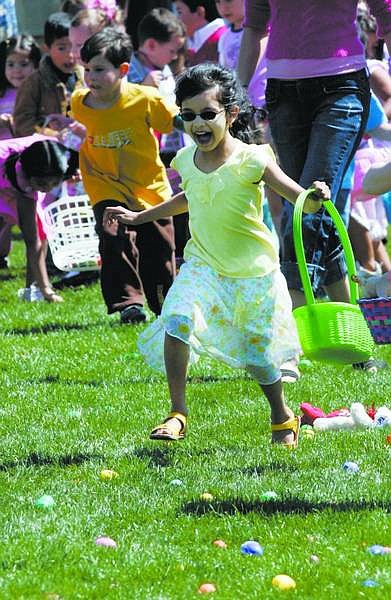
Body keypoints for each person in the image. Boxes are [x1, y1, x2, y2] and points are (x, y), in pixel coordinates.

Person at [103, 64, 329, 447]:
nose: (198, 124)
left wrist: (315, 196)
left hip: (253, 274)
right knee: (176, 318)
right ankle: (178, 412)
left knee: (258, 357)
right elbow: (186, 198)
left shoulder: (253, 159)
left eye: (208, 114)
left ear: (232, 114)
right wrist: (141, 216)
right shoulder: (186, 160)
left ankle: (281, 414)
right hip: (204, 265)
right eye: (188, 116)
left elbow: (300, 201)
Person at [238, 0, 391, 377]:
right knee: (317, 209)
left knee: (307, 205)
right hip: (283, 94)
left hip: (342, 89)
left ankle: (286, 344)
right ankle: (357, 343)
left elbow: (386, 15)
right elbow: (255, 26)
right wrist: (237, 94)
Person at [70, 27, 178, 323]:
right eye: (87, 69)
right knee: (113, 237)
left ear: (123, 70)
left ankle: (163, 302)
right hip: (104, 183)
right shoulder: (79, 103)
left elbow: (173, 122)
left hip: (149, 185)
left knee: (159, 247)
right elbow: (69, 135)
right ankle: (128, 303)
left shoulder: (144, 99)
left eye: (99, 69)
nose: (90, 77)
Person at [0, 135, 78, 301]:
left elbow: (35, 239)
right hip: (5, 177)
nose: (47, 189)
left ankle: (32, 288)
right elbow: (30, 240)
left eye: (53, 184)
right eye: (42, 185)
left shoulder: (56, 157)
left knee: (41, 232)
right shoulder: (22, 172)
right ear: (28, 177)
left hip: (24, 181)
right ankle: (42, 288)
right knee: (29, 234)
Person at [0, 34, 41, 269]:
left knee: (31, 218)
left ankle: (40, 261)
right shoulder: (2, 94)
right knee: (3, 218)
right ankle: (2, 254)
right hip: (2, 167)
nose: (17, 70)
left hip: (29, 166)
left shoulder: (36, 93)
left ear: (35, 65)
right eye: (11, 64)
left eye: (24, 64)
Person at [13, 12, 83, 137]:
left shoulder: (86, 76)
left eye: (75, 46)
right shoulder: (34, 83)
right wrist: (51, 133)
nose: (70, 54)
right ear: (47, 48)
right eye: (62, 48)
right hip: (50, 149)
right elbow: (22, 122)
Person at [174, 0, 226, 65]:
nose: (176, 19)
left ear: (199, 12)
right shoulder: (187, 42)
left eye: (179, 12)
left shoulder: (223, 37)